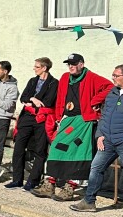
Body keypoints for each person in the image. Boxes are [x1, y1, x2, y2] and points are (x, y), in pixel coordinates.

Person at [70, 64, 123, 217]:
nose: (112, 77)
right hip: (107, 141)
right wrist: (100, 134)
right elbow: (104, 115)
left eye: (115, 75)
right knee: (96, 168)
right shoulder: (112, 93)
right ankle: (89, 201)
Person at [32, 53, 112, 202]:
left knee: (77, 150)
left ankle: (70, 187)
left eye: (74, 64)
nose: (71, 67)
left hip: (84, 119)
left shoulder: (92, 77)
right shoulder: (64, 77)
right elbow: (60, 98)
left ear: (81, 64)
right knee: (57, 147)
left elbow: (110, 86)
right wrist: (58, 117)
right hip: (67, 119)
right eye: (69, 64)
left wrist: (95, 100)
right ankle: (50, 183)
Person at [6, 58, 59, 190]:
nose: (34, 69)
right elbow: (23, 97)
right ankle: (17, 179)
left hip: (41, 119)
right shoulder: (32, 81)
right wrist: (32, 98)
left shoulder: (53, 83)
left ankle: (33, 181)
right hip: (27, 118)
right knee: (19, 148)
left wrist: (33, 103)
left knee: (40, 150)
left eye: (37, 67)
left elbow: (48, 102)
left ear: (44, 68)